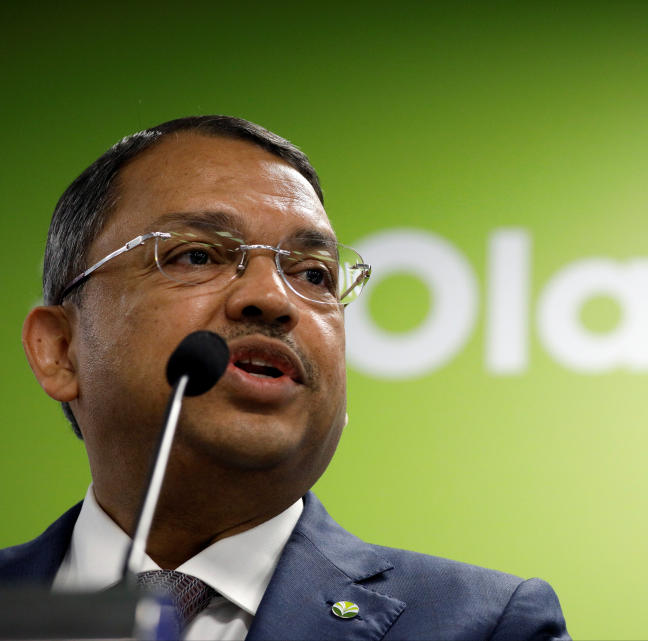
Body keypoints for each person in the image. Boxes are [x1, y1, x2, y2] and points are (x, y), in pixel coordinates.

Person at [0, 115, 569, 640]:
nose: (273, 298)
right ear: (60, 350)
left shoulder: (485, 627)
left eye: (314, 273)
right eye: (198, 256)